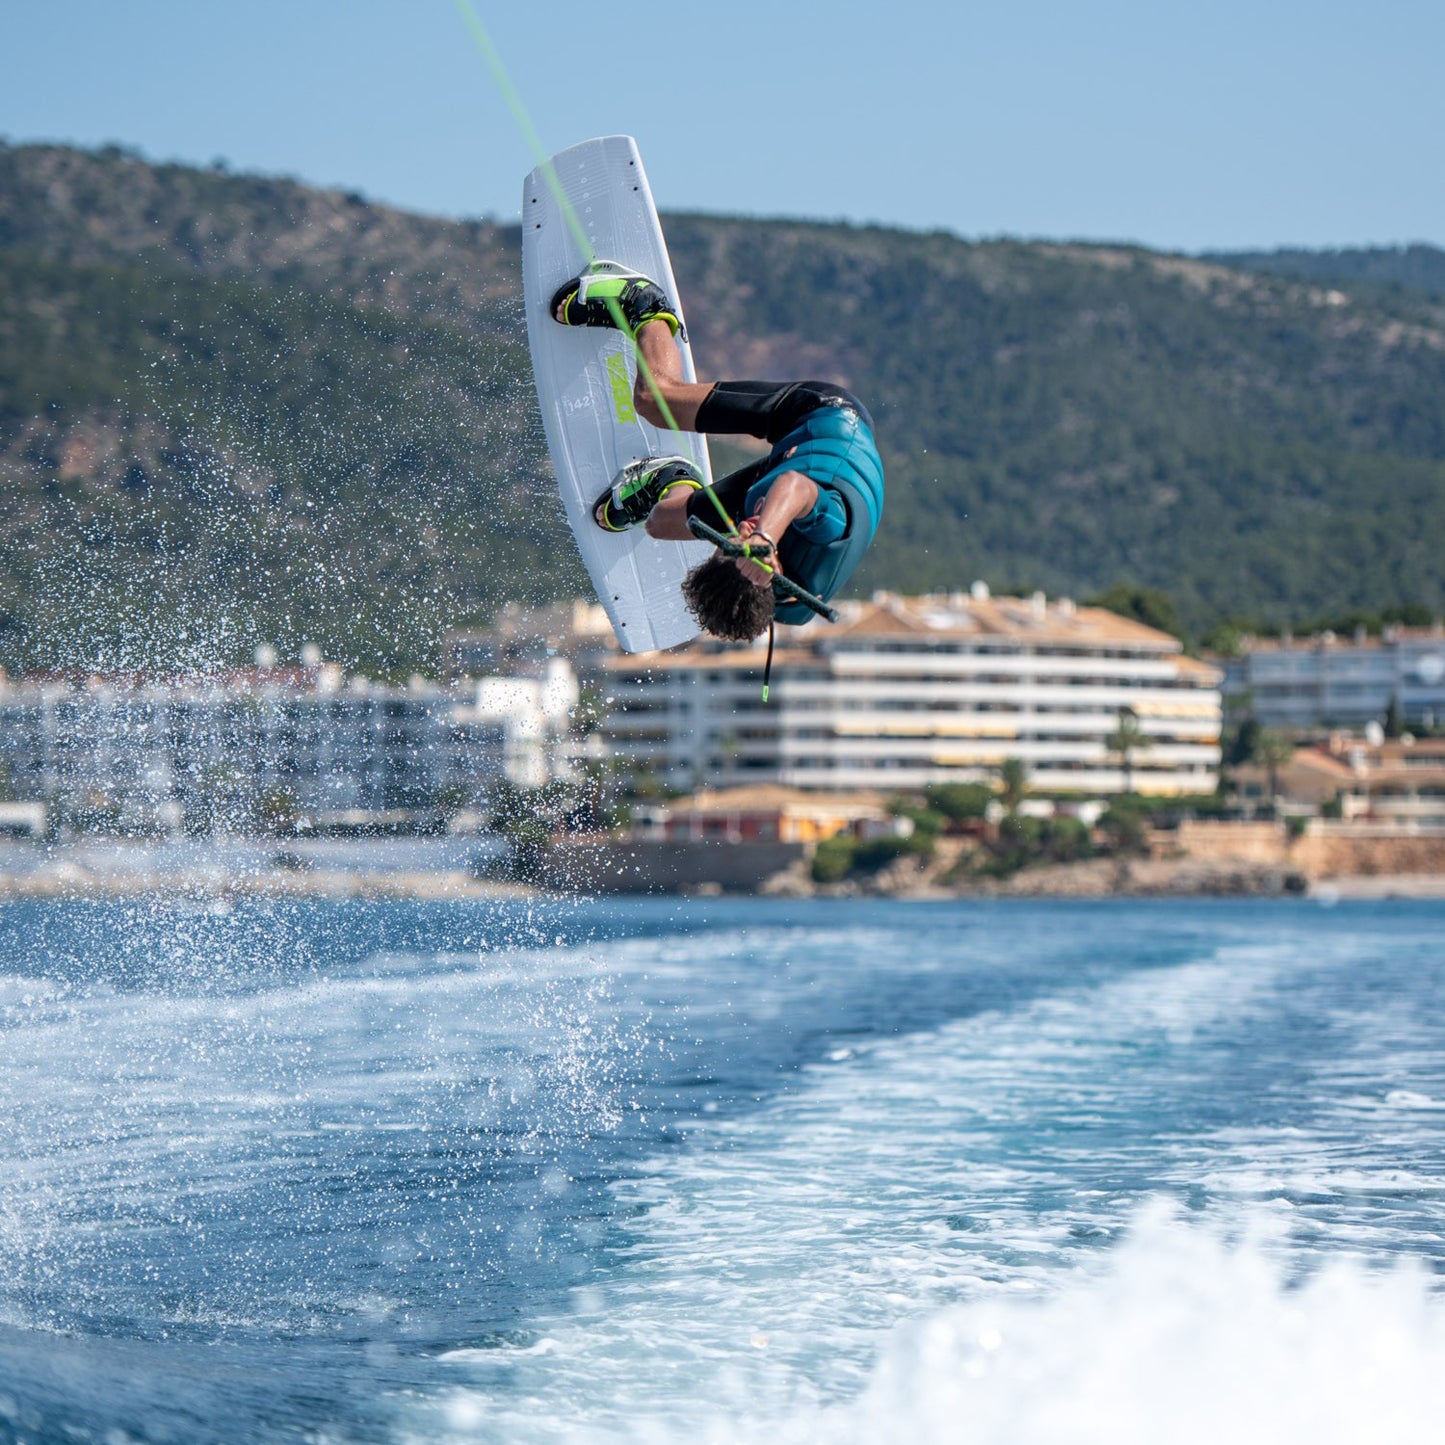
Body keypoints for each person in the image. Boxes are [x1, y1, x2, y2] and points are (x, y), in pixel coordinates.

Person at [551, 260, 885, 642]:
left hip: (777, 485)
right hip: (822, 423)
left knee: (660, 522)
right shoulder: (828, 532)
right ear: (772, 569)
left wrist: (744, 542)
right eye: (739, 543)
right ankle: (644, 306)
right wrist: (763, 537)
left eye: (726, 547)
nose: (739, 531)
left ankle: (670, 477)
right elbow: (795, 485)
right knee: (653, 401)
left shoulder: (782, 606)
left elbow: (737, 580)